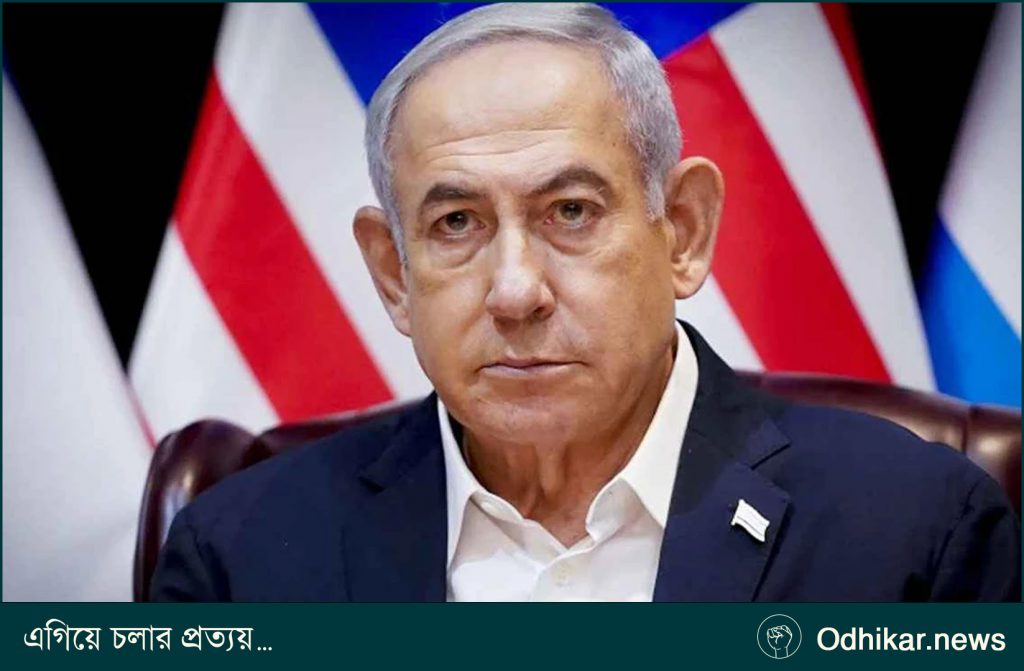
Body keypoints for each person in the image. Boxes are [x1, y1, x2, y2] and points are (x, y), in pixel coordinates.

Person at [150, 3, 1020, 602]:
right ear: (392, 273)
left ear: (682, 232)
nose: (515, 291)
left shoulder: (916, 532)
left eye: (570, 212)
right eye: (456, 223)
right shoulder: (239, 557)